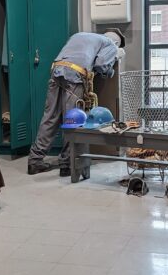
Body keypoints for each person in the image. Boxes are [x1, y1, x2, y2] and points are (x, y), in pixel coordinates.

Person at [27, 31, 122, 177]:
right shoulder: (111, 45)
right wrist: (113, 65)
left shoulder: (81, 35)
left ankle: (35, 161)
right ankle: (67, 164)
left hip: (56, 70)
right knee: (72, 120)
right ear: (116, 42)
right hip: (75, 75)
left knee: (50, 117)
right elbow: (102, 65)